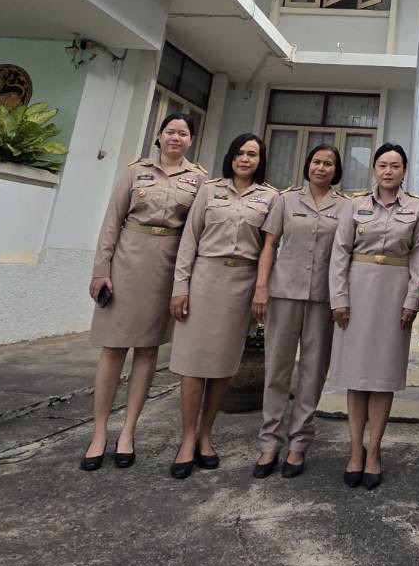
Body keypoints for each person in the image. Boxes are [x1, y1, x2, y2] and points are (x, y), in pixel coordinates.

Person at [81, 113, 203, 470]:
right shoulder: (135, 172)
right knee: (113, 349)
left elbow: (196, 232)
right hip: (127, 263)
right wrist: (101, 270)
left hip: (166, 268)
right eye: (170, 132)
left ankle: (128, 432)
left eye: (183, 133)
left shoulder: (198, 180)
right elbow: (111, 222)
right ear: (159, 136)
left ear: (191, 140)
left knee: (148, 351)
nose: (176, 137)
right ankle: (99, 432)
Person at [167, 134, 274, 479]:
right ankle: (186, 439)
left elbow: (270, 249)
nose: (245, 159)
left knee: (223, 366)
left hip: (240, 285)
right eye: (240, 153)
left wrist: (261, 290)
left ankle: (205, 435)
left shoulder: (270, 197)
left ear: (261, 160)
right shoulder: (209, 191)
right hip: (204, 280)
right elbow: (189, 240)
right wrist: (180, 287)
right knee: (193, 364)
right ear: (231, 156)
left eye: (253, 154)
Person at [328, 143, 419, 490]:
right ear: (374, 169)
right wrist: (338, 298)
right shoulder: (354, 205)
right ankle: (355, 451)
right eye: (383, 165)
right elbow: (340, 252)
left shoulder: (417, 207)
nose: (388, 171)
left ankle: (375, 453)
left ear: (404, 171)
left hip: (395, 293)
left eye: (395, 165)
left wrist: (412, 299)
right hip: (357, 292)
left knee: (383, 377)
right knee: (356, 377)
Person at [251, 144, 345, 480]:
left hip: (322, 299)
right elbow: (269, 246)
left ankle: (298, 443)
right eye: (317, 161)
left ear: (336, 170)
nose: (322, 167)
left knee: (312, 373)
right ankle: (268, 442)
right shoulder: (285, 200)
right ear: (307, 165)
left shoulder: (345, 206)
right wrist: (261, 287)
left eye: (329, 163)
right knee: (276, 369)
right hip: (284, 293)